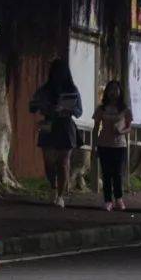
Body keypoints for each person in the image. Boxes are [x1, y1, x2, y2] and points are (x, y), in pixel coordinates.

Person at [29, 59, 82, 208]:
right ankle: (53, 186)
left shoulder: (72, 90)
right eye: (55, 71)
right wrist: (42, 105)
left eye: (61, 71)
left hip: (65, 125)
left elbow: (79, 111)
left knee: (64, 163)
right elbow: (32, 106)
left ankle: (60, 196)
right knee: (49, 161)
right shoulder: (45, 89)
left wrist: (67, 109)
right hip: (49, 123)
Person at [93, 80, 132, 211]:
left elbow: (129, 128)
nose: (113, 92)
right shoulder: (101, 109)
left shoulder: (125, 110)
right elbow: (96, 127)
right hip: (104, 144)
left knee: (118, 173)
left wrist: (121, 131)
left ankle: (119, 199)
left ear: (120, 92)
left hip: (119, 145)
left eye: (116, 89)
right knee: (106, 174)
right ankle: (108, 200)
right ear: (107, 92)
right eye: (110, 89)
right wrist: (94, 146)